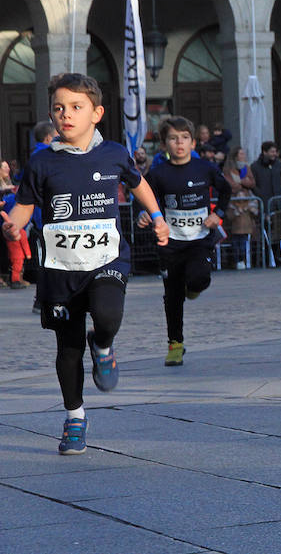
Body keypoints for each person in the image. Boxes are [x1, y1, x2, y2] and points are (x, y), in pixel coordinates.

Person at [1, 73, 170, 455]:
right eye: (59, 108)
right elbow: (26, 204)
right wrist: (16, 227)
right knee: (68, 346)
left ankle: (105, 344)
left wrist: (157, 216)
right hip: (61, 266)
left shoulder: (113, 153)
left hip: (106, 257)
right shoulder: (42, 161)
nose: (66, 115)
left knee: (107, 315)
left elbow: (138, 182)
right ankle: (75, 416)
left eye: (76, 107)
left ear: (97, 113)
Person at [137, 116, 231, 367]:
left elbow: (226, 190)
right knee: (173, 295)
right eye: (173, 138)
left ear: (192, 143)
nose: (179, 143)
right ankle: (175, 344)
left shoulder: (205, 169)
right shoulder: (157, 174)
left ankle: (194, 287)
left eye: (185, 138)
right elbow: (145, 199)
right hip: (170, 244)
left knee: (199, 278)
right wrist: (145, 214)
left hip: (199, 240)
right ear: (164, 144)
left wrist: (218, 214)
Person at [223, 147, 258, 270]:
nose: (244, 155)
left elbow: (252, 183)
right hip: (235, 203)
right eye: (241, 153)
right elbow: (230, 184)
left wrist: (241, 182)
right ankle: (237, 259)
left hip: (246, 204)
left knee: (245, 234)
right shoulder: (228, 169)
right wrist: (243, 183)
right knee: (236, 234)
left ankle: (244, 259)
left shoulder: (245, 168)